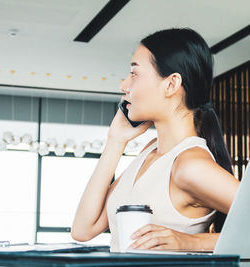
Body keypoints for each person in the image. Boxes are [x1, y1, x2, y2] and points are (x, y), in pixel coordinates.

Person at [71, 28, 240, 252]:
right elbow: (83, 229)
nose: (124, 85)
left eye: (134, 74)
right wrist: (115, 141)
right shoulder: (151, 153)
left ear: (171, 84)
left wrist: (189, 242)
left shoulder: (191, 165)